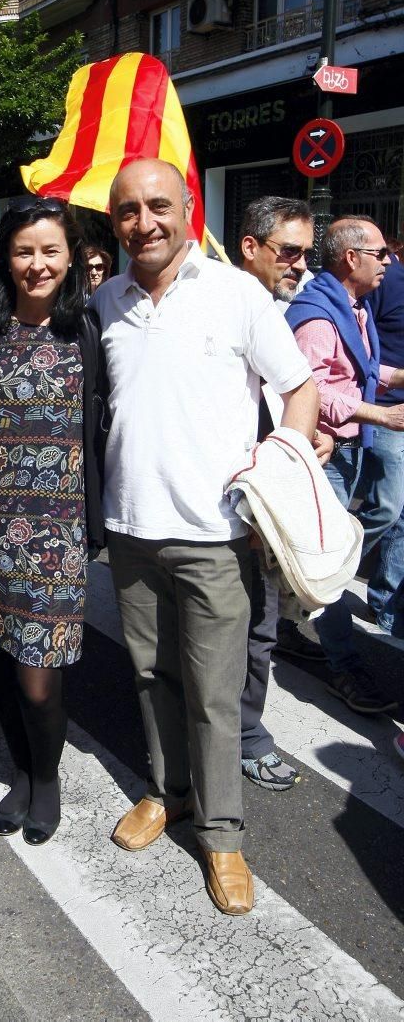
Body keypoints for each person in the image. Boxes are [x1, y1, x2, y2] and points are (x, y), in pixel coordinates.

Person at [94, 158, 317, 916]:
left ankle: (223, 834)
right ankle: (170, 793)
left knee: (216, 696)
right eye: (128, 210)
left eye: (159, 205)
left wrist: (279, 467)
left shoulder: (238, 293)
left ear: (189, 207)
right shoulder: (104, 302)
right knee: (152, 678)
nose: (144, 222)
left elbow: (300, 388)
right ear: (114, 221)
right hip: (129, 534)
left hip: (217, 537)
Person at [0, 198, 107, 845]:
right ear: (4, 257)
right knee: (1, 660)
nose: (36, 264)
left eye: (49, 251)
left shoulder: (91, 327)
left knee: (41, 678)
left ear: (71, 258)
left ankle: (48, 776)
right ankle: (20, 771)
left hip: (56, 530)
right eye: (23, 250)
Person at [237, 196, 336, 791]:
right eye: (290, 252)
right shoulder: (221, 307)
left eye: (307, 253)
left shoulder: (278, 311)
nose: (301, 265)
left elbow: (293, 394)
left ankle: (246, 733)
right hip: (220, 506)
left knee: (261, 628)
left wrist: (307, 440)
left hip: (265, 506)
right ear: (251, 247)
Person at [286, 218, 404, 713]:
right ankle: (342, 665)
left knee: (345, 543)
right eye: (380, 253)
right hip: (325, 452)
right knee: (331, 560)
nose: (389, 261)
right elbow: (308, 387)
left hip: (350, 446)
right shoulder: (319, 317)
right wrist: (380, 412)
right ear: (351, 258)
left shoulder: (352, 307)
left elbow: (363, 373)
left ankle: (286, 610)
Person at [353, 236, 404, 637]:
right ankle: (325, 565)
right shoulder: (385, 281)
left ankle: (385, 605)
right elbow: (364, 350)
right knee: (386, 507)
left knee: (403, 516)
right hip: (386, 413)